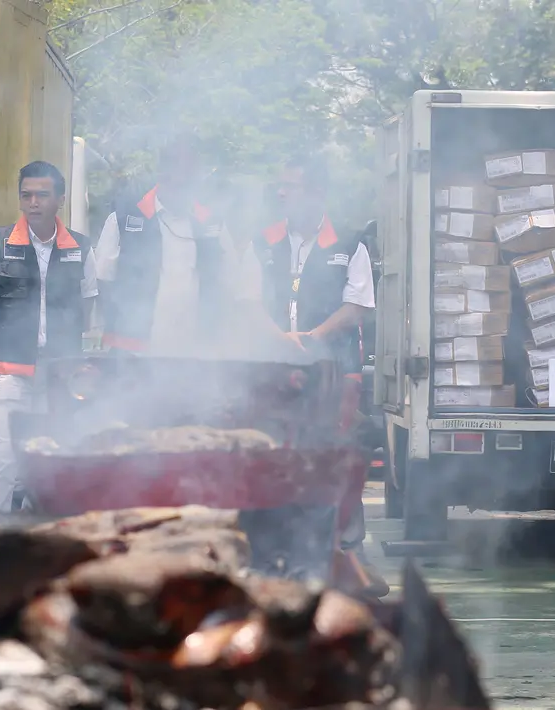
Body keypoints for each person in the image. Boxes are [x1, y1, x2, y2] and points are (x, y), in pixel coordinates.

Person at [256, 153, 388, 598]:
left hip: (335, 369)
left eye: (289, 186)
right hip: (274, 366)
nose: (281, 194)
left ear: (315, 193)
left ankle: (350, 550)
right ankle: (277, 551)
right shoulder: (265, 241)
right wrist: (276, 336)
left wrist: (312, 335)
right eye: (280, 186)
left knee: (341, 455)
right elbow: (246, 299)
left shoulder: (350, 244)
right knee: (275, 453)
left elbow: (356, 308)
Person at [0, 161, 98, 511]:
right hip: (10, 368)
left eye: (42, 195)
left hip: (59, 371)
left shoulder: (81, 249)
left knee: (50, 453)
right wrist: (6, 339)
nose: (33, 202)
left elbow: (87, 308)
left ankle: (33, 529)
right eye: (26, 195)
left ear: (61, 199)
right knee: (3, 454)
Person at [94, 135, 259, 355]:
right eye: (180, 178)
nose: (184, 186)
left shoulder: (212, 224)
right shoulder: (124, 219)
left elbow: (230, 284)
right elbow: (103, 282)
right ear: (163, 174)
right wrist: (119, 338)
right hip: (135, 353)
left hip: (195, 354)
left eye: (191, 179)